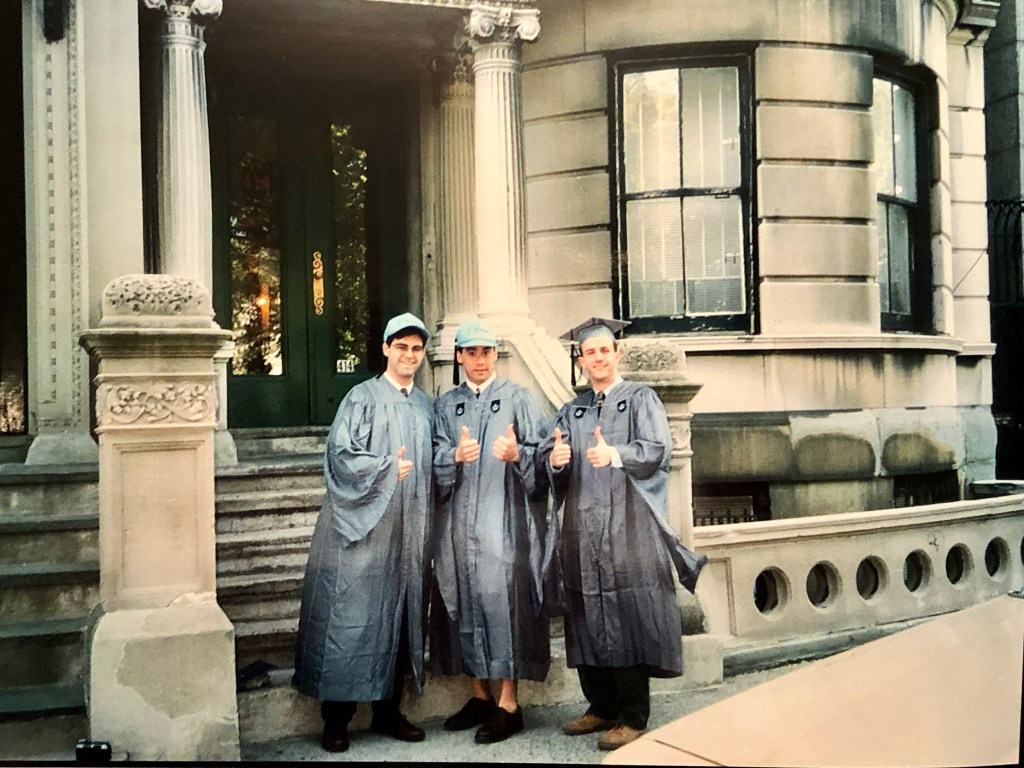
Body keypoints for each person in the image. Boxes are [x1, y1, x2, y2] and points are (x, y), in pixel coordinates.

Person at [539, 317, 707, 752]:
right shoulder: (573, 410)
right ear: (581, 360)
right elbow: (551, 459)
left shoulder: (640, 398)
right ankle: (601, 706)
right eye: (589, 352)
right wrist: (556, 460)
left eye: (604, 350)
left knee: (629, 611)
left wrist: (615, 453)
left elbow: (658, 449)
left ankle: (633, 715)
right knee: (586, 610)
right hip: (583, 528)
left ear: (615, 354)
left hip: (629, 527)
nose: (597, 358)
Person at [293, 312, 434, 753]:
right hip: (361, 532)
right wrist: (387, 468)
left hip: (408, 530)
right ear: (386, 349)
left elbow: (439, 462)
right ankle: (336, 718)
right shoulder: (362, 397)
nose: (409, 355)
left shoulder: (425, 405)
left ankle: (389, 711)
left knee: (399, 615)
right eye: (401, 347)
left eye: (416, 349)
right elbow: (340, 455)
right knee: (350, 616)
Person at [430, 318, 552, 744]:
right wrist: (452, 456)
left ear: (495, 354)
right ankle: (479, 695)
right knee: (465, 601)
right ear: (459, 356)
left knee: (504, 607)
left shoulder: (519, 398)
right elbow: (432, 457)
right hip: (460, 524)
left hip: (505, 523)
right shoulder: (446, 405)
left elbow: (545, 454)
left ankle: (508, 704)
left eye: (486, 352)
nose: (479, 360)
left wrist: (520, 454)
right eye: (471, 352)